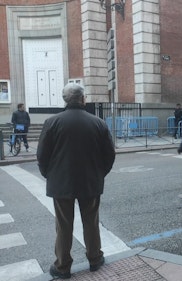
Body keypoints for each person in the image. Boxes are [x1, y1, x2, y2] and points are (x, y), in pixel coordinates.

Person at [37, 83, 115, 279]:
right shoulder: (98, 123)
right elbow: (109, 155)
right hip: (90, 182)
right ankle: (95, 259)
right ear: (83, 99)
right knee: (91, 222)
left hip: (61, 182)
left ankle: (62, 267)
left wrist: (50, 175)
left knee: (63, 226)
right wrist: (99, 173)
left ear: (65, 99)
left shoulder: (52, 122)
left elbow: (42, 155)